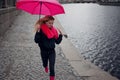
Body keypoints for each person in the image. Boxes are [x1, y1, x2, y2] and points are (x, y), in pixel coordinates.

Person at [34, 15, 63, 80]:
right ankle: (45, 66)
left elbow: (57, 42)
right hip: (43, 51)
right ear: (45, 22)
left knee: (52, 66)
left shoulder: (54, 31)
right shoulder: (41, 30)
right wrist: (38, 32)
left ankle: (52, 77)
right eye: (49, 23)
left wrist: (60, 35)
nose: (51, 24)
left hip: (52, 51)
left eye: (52, 23)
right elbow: (36, 40)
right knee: (44, 63)